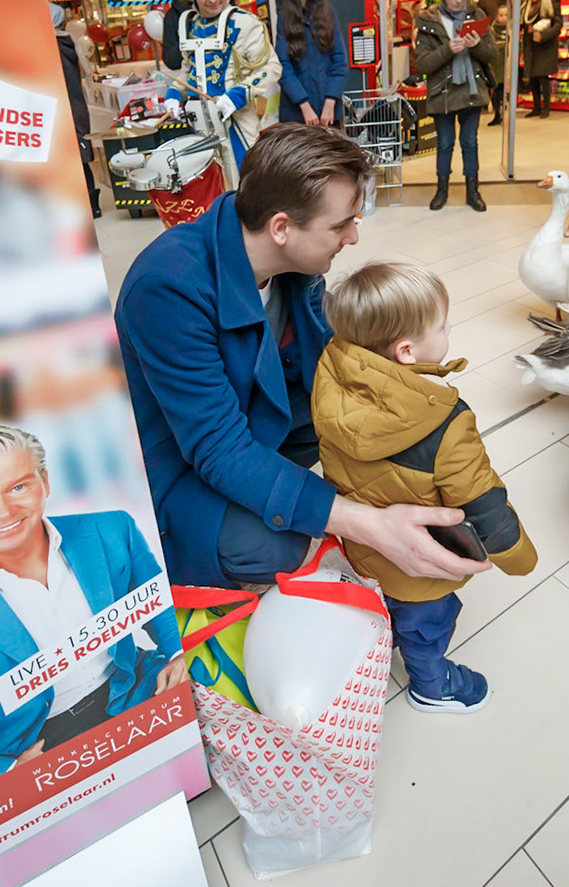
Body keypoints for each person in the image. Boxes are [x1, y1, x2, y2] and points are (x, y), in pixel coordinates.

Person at [115, 124, 493, 588]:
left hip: (254, 418)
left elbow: (334, 362)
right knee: (275, 546)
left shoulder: (296, 264)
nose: (353, 237)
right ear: (282, 228)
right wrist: (367, 524)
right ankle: (179, 544)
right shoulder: (168, 287)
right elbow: (218, 449)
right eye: (340, 225)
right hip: (178, 461)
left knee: (369, 428)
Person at [0, 425, 184, 792]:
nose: (3, 512)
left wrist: (179, 652)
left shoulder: (111, 529)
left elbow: (160, 603)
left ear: (45, 481)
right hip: (35, 755)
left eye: (17, 487)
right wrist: (4, 774)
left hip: (141, 691)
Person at [312, 261, 536, 713]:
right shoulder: (446, 423)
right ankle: (431, 686)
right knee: (427, 626)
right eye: (442, 324)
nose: (449, 329)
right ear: (407, 352)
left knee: (383, 607)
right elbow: (483, 502)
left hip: (361, 543)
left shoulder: (330, 374)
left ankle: (377, 647)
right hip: (418, 564)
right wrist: (519, 557)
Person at [163, 0, 278, 169]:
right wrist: (174, 93)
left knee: (244, 184)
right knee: (211, 186)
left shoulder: (244, 23)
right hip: (200, 128)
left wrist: (238, 94)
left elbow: (271, 68)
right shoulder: (187, 23)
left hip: (238, 125)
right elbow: (187, 71)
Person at [414, 0, 496, 211]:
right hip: (442, 93)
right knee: (445, 143)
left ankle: (473, 191)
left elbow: (492, 54)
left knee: (470, 142)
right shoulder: (428, 21)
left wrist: (477, 45)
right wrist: (448, 49)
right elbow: (423, 65)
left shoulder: (477, 15)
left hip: (472, 90)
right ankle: (442, 190)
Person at [274, 0, 349, 127]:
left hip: (328, 112)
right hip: (296, 113)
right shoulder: (285, 15)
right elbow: (283, 66)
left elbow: (340, 61)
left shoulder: (327, 12)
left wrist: (330, 101)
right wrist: (304, 105)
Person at [53, 3, 100, 217]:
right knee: (81, 159)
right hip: (76, 108)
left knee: (64, 162)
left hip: (60, 110)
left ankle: (76, 205)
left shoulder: (49, 45)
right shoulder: (71, 42)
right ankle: (93, 204)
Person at [519, 0, 564, 118]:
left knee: (543, 77)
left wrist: (543, 36)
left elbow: (558, 25)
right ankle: (536, 107)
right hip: (530, 45)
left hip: (545, 46)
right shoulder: (526, 5)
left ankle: (546, 108)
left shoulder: (551, 2)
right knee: (532, 77)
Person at [486, 2, 511, 126]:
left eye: (506, 15)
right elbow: (492, 47)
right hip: (495, 67)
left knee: (504, 93)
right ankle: (497, 114)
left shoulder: (510, 30)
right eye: (501, 15)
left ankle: (504, 113)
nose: (503, 18)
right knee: (496, 92)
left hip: (507, 67)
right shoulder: (492, 30)